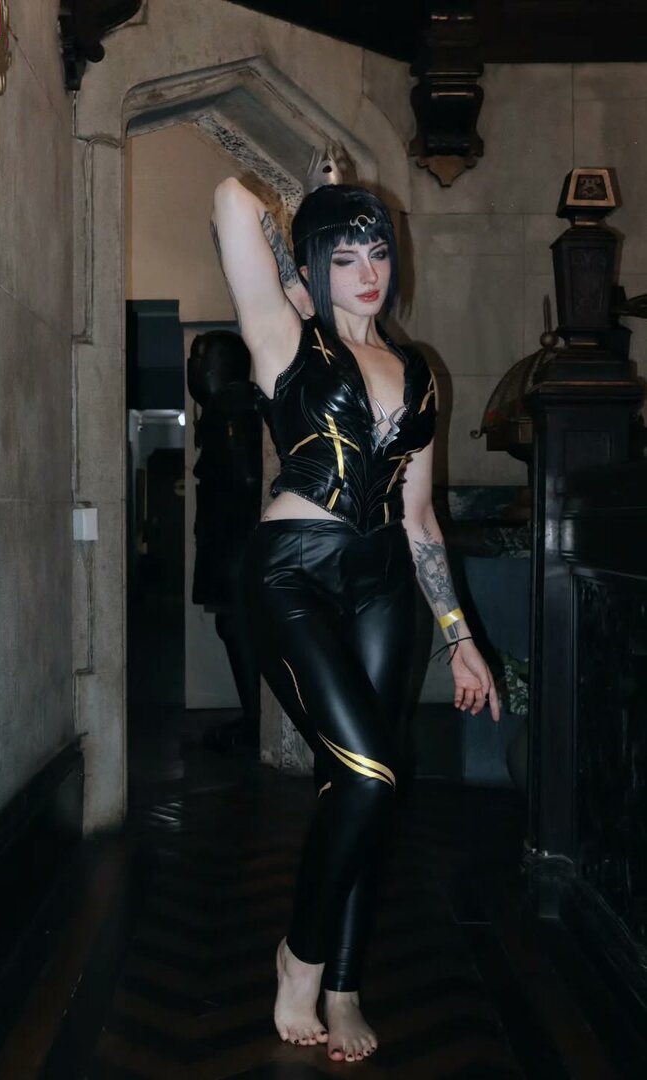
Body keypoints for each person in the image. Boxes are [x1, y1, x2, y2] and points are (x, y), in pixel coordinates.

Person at [210, 175, 500, 1064]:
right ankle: (299, 957)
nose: (368, 272)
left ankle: (343, 986)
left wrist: (460, 638)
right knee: (368, 776)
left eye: (378, 252)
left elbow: (420, 520)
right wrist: (297, 258)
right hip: (291, 574)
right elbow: (229, 197)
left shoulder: (418, 373)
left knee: (364, 791)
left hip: (381, 581)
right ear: (314, 266)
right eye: (345, 257)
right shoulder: (283, 338)